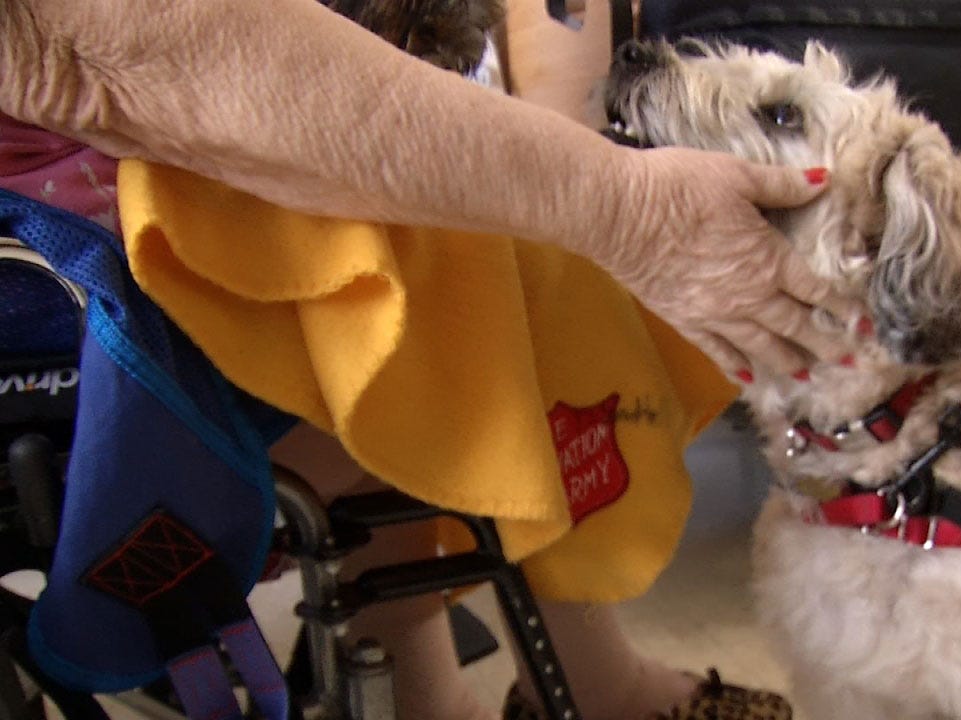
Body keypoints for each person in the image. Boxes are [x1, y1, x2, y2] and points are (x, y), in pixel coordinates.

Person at [0, 1, 854, 718]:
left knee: (466, 257)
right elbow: (157, 49)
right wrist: (618, 205)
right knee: (472, 271)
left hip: (107, 200)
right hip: (68, 291)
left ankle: (439, 688)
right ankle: (581, 681)